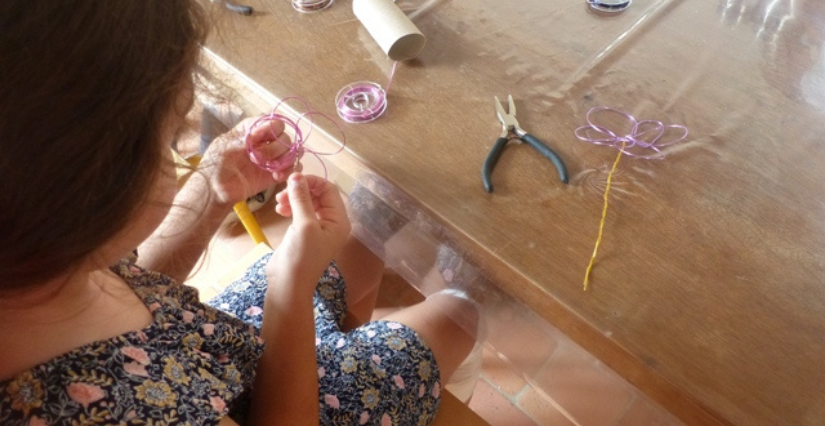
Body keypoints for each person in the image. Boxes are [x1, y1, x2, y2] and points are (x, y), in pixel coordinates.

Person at [0, 2, 479, 425]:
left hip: (215, 350)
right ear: (87, 196)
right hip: (285, 408)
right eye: (169, 144)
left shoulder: (31, 257)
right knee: (457, 313)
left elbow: (126, 279)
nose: (175, 157)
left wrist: (212, 191)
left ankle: (369, 261)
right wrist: (290, 282)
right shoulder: (105, 413)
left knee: (360, 235)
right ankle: (462, 297)